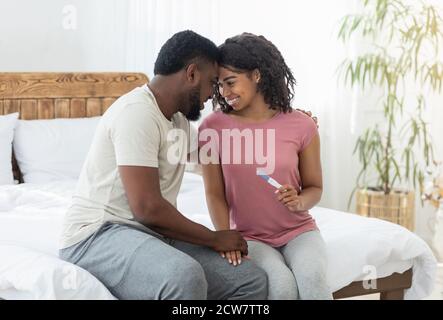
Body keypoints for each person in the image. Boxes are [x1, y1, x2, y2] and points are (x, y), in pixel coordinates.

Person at [58, 30, 267, 300]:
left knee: (249, 280)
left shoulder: (177, 120)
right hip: (96, 235)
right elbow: (147, 208)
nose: (212, 94)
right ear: (191, 74)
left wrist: (286, 121)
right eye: (212, 82)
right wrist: (215, 238)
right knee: (183, 276)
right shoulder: (136, 113)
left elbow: (219, 151)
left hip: (150, 233)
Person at [199, 33, 333, 300]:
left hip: (299, 232)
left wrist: (299, 201)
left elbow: (315, 188)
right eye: (219, 85)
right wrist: (224, 236)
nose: (225, 93)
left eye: (231, 82)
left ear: (257, 75)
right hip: (250, 237)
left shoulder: (302, 125)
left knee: (312, 278)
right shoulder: (212, 128)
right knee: (281, 286)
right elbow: (214, 193)